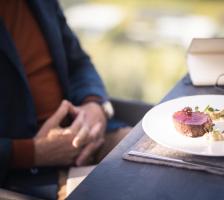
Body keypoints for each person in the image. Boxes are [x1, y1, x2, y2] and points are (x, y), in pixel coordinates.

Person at [0, 0, 130, 199]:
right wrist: (33, 153)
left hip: (86, 134)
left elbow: (78, 63)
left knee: (155, 156)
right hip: (23, 174)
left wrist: (93, 104)